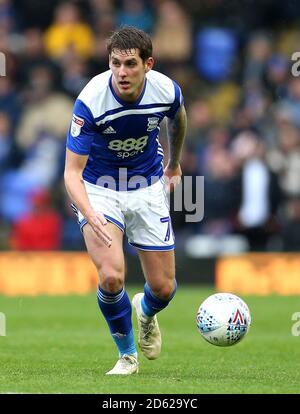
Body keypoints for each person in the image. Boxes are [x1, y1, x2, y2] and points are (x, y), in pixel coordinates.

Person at [64, 26, 187, 375]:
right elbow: (71, 173)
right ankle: (127, 355)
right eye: (115, 63)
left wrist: (174, 163)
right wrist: (90, 214)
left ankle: (146, 311)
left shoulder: (166, 89)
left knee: (164, 288)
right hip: (99, 188)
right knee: (111, 276)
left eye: (130, 64)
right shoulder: (90, 100)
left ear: (148, 64)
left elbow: (178, 117)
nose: (121, 72)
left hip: (147, 185)